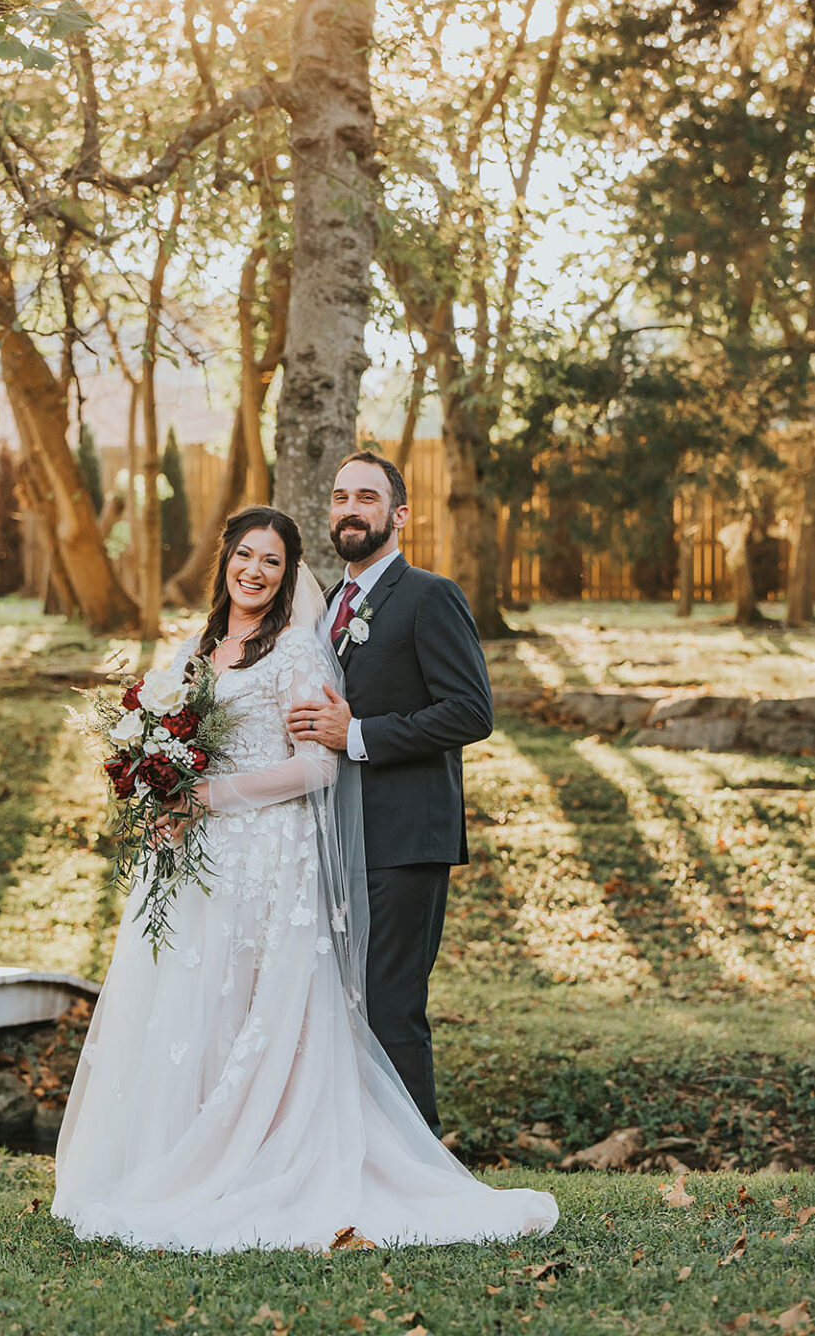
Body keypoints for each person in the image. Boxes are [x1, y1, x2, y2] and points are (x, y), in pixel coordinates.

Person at [51, 505, 557, 1252]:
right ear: (224, 559)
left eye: (272, 562)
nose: (253, 571)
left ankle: (260, 1159)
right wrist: (162, 793)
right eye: (244, 556)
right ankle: (176, 1158)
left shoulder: (296, 653)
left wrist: (207, 796)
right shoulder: (197, 647)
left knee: (260, 1009)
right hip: (196, 859)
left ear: (290, 577)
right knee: (191, 1004)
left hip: (265, 854)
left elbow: (319, 766)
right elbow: (185, 745)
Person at [287, 452, 491, 1138]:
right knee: (338, 1003)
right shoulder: (322, 607)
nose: (350, 508)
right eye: (341, 495)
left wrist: (359, 734)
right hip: (332, 837)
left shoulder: (429, 595)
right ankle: (353, 1154)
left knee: (389, 1005)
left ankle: (419, 1167)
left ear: (397, 515)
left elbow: (469, 712)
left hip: (405, 838)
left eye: (367, 497)